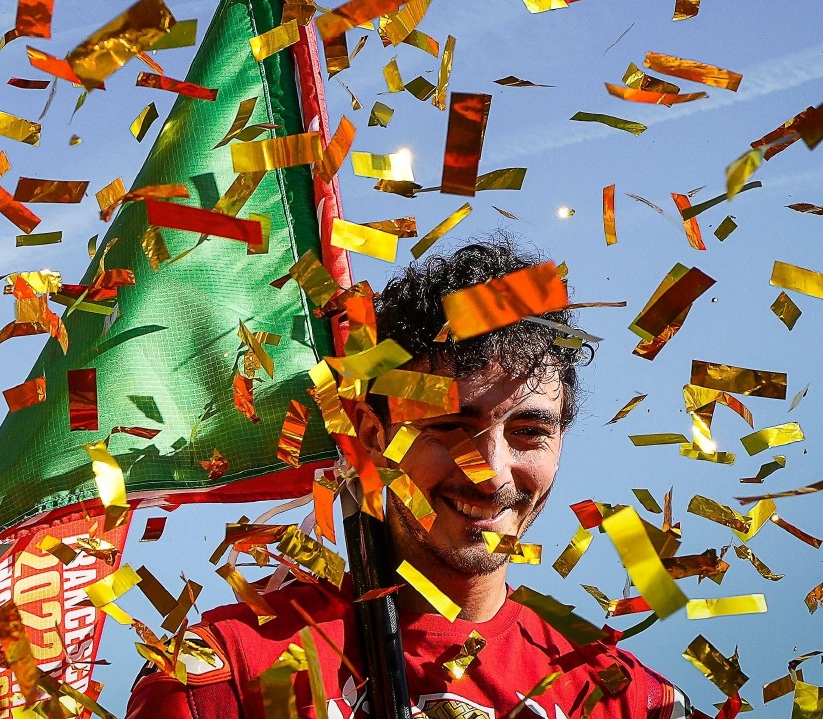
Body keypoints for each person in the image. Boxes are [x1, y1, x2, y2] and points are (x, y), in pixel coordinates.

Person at [126, 238, 700, 719]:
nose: (492, 473)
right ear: (373, 436)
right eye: (449, 428)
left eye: (529, 432)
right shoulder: (223, 675)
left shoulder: (626, 700)